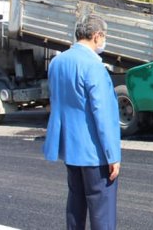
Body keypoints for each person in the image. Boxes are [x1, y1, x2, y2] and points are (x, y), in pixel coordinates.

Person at [43, 14, 122, 229]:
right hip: (94, 153)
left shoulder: (57, 62)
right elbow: (102, 115)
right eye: (104, 36)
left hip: (70, 149)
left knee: (75, 203)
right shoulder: (94, 67)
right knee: (102, 211)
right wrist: (112, 155)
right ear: (97, 36)